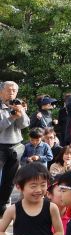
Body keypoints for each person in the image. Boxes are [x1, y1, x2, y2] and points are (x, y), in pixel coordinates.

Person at [0, 81, 29, 209]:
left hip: (15, 146)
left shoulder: (18, 105)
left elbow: (25, 124)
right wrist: (12, 117)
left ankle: (3, 205)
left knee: (10, 179)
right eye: (8, 90)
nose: (11, 93)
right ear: (1, 92)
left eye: (14, 90)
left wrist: (20, 113)